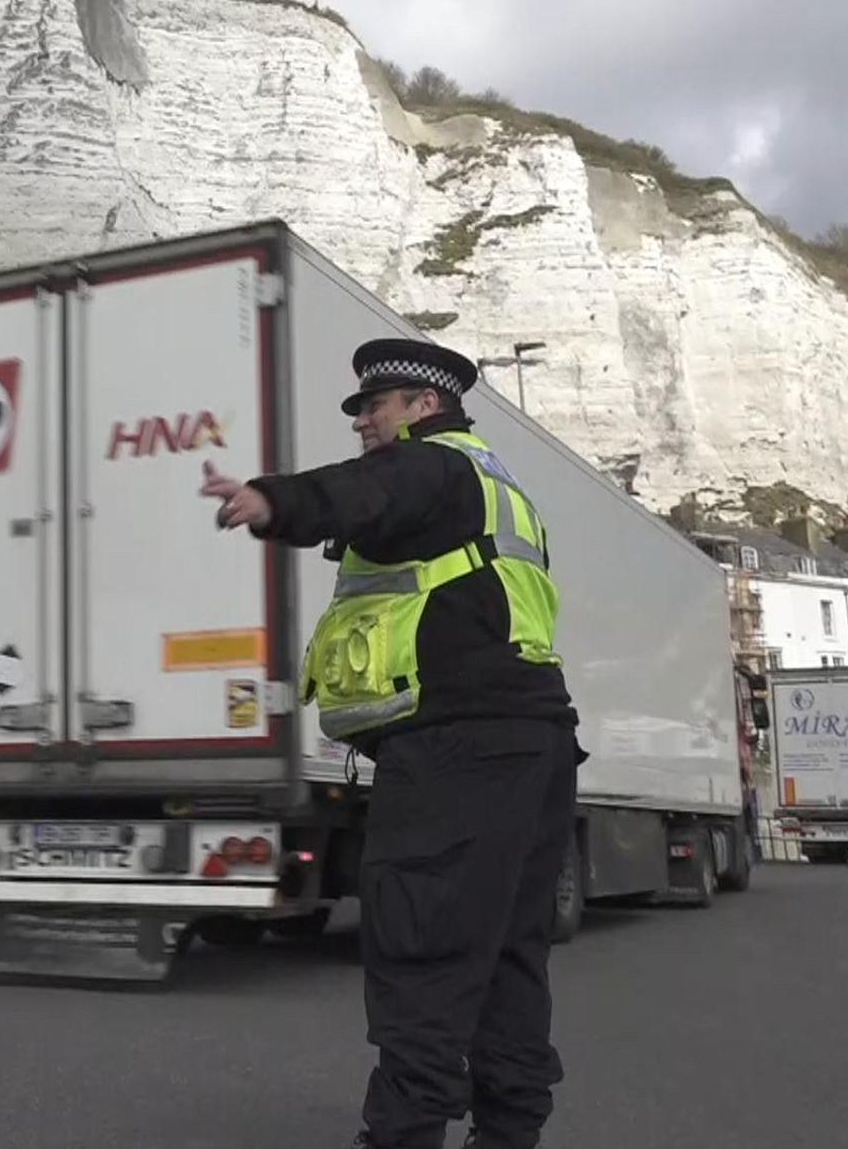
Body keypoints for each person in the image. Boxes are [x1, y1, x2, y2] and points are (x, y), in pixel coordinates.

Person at [199, 337, 584, 1149]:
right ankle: (510, 1133)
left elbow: (365, 492)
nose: (363, 422)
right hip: (531, 741)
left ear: (424, 405)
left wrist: (273, 502)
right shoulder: (491, 485)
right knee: (507, 956)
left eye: (376, 405)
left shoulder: (435, 466)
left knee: (426, 954)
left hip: (460, 750)